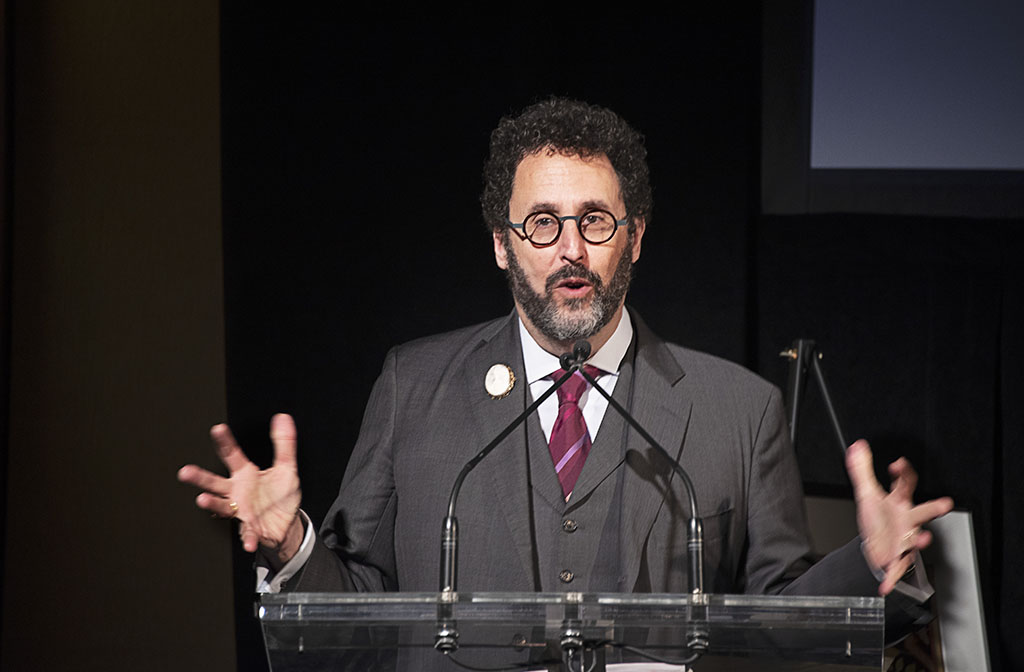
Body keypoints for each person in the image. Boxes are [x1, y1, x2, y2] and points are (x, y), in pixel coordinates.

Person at [179, 98, 952, 618]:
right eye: (542, 223)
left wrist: (870, 564)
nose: (571, 249)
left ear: (635, 237)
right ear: (501, 243)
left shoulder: (740, 411)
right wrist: (291, 546)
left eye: (596, 221)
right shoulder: (412, 387)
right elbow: (357, 604)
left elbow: (781, 622)